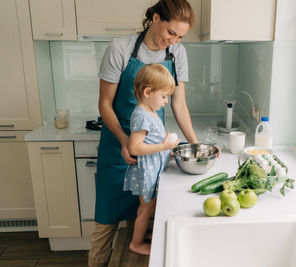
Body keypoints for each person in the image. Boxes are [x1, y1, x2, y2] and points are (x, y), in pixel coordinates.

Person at [88, 0, 197, 266]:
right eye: (171, 32)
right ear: (156, 18)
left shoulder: (176, 53)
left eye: (180, 36)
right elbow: (104, 104)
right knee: (105, 223)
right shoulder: (121, 49)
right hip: (117, 149)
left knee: (141, 217)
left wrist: (195, 146)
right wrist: (126, 141)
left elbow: (178, 103)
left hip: (150, 155)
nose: (172, 41)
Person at [124, 63, 180, 256]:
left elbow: (151, 140)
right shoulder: (141, 115)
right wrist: (164, 147)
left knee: (150, 206)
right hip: (146, 171)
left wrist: (168, 151)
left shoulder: (149, 111)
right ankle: (136, 243)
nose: (166, 102)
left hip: (153, 168)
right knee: (146, 209)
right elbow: (135, 147)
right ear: (148, 92)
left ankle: (144, 233)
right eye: (164, 96)